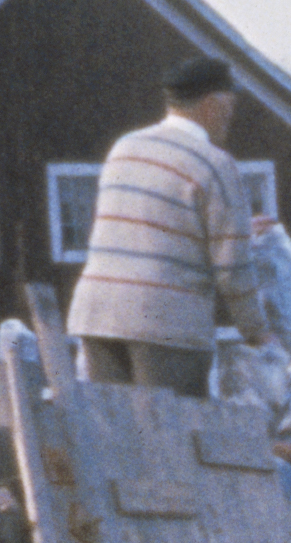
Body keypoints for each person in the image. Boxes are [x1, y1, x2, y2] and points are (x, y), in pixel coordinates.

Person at [67, 55, 272, 398]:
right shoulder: (216, 164)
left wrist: (237, 229)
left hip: (98, 316)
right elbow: (232, 270)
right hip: (166, 324)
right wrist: (257, 332)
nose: (232, 115)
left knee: (119, 441)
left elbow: (149, 224)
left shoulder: (125, 147)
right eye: (231, 104)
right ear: (213, 103)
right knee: (172, 442)